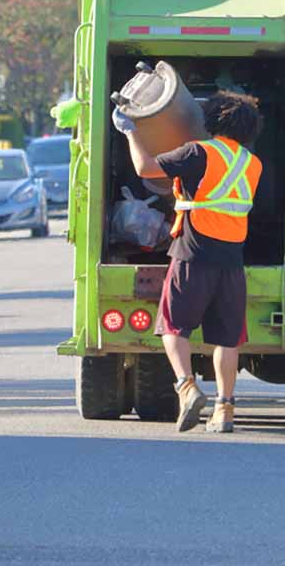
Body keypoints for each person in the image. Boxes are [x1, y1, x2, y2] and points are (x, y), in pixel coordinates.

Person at [113, 91, 263, 434]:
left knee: (172, 327)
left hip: (192, 255)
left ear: (212, 120)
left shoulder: (199, 152)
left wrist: (130, 131)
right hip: (231, 260)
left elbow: (145, 169)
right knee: (227, 339)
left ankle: (187, 387)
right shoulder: (252, 163)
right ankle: (225, 410)